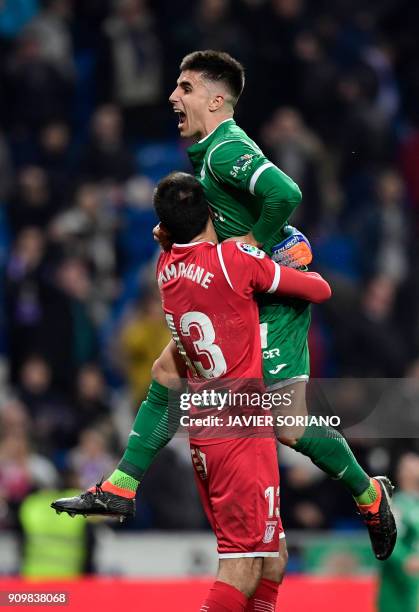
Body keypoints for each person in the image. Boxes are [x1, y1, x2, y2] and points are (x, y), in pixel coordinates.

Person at [52, 50, 396, 562]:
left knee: (289, 425)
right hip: (242, 288)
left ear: (216, 99)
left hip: (272, 295)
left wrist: (252, 247)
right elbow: (229, 215)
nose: (173, 97)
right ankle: (122, 487)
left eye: (185, 88)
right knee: (168, 369)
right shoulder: (210, 152)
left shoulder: (225, 149)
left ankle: (369, 496)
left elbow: (285, 191)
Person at [55, 171, 332, 611]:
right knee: (241, 566)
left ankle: (123, 482)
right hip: (241, 430)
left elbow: (170, 232)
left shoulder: (166, 266)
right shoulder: (233, 261)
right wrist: (281, 258)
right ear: (211, 212)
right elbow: (319, 289)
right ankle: (122, 483)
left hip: (206, 429)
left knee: (272, 558)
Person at [377, 453, 419, 612]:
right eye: (409, 467)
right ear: (401, 473)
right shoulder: (396, 505)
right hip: (398, 583)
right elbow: (387, 539)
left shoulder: (415, 503)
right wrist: (405, 560)